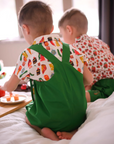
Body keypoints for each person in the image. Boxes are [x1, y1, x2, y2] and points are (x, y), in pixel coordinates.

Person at [0, 1, 93, 141]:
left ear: (25, 29)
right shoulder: (72, 49)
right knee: (68, 113)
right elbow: (89, 79)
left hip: (54, 119)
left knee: (28, 116)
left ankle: (44, 131)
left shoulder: (29, 54)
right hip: (79, 116)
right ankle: (73, 130)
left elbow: (11, 87)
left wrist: (3, 86)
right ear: (52, 28)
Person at [58, 9, 114, 107]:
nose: (63, 39)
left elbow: (74, 77)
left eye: (62, 35)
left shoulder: (75, 49)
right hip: (106, 80)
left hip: (104, 87)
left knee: (74, 97)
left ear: (69, 30)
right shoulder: (98, 42)